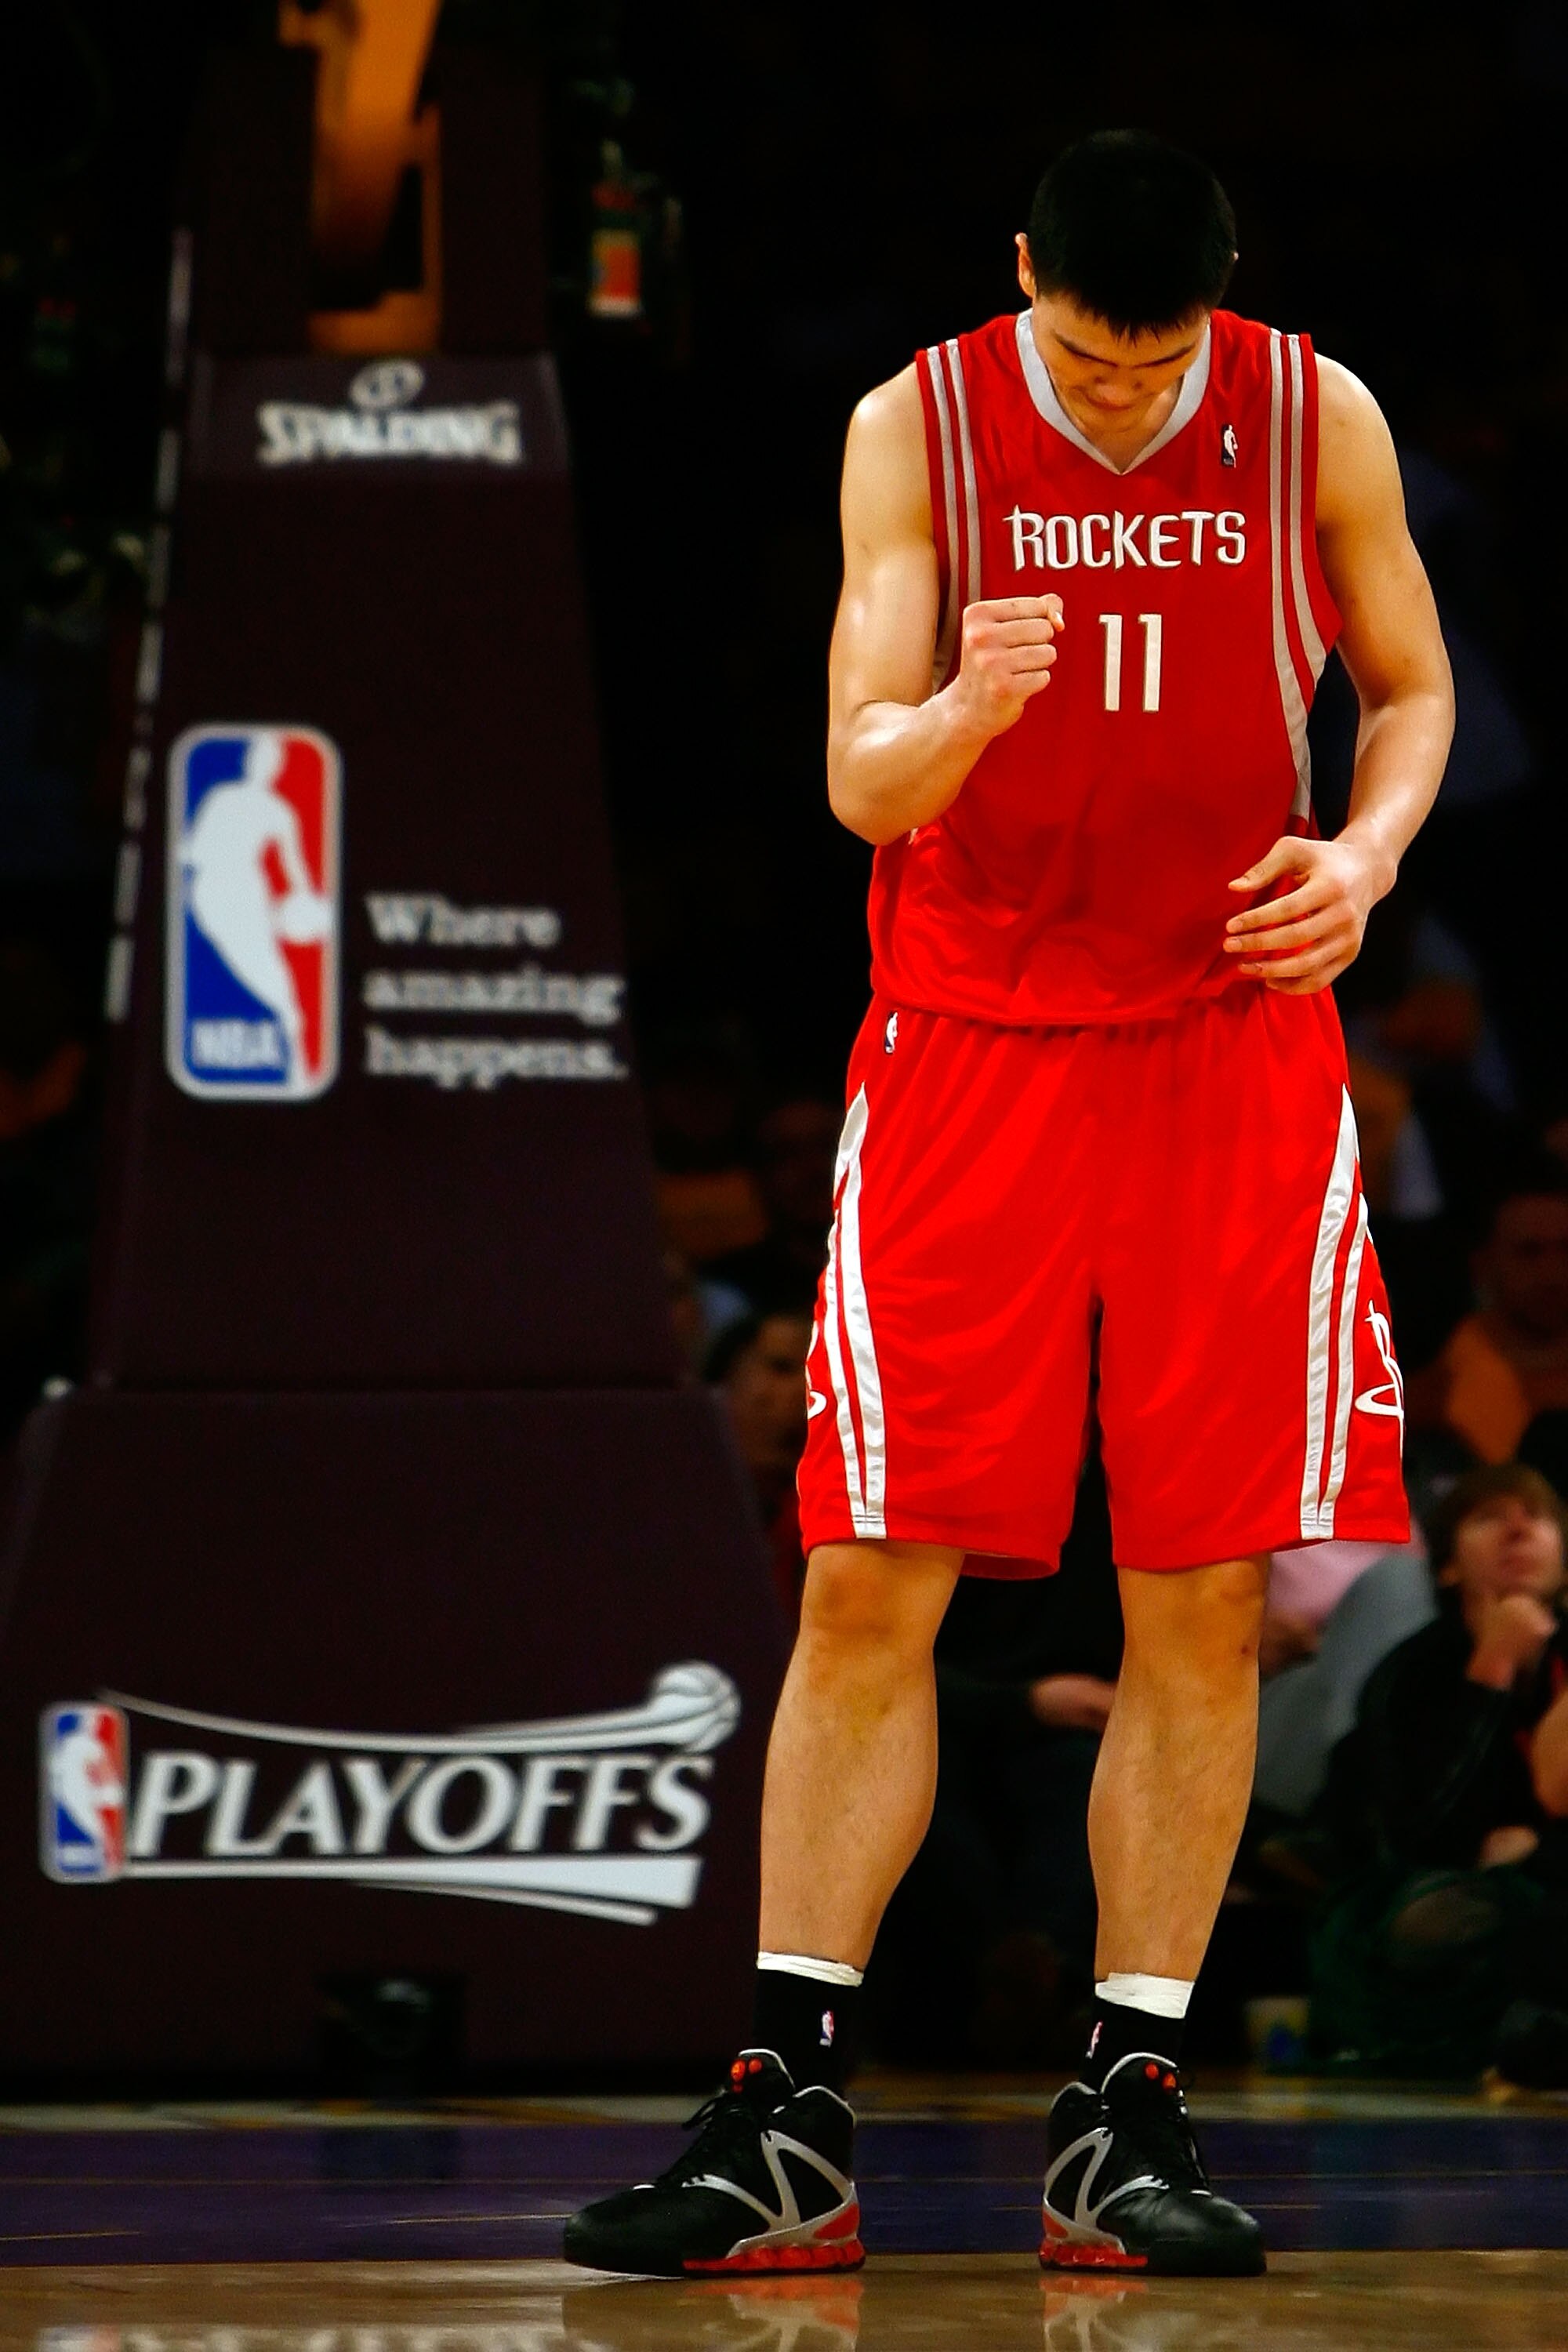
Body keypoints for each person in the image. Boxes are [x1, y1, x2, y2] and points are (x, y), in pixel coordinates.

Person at [566, 129, 1453, 2280]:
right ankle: (785, 2115)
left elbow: (1410, 690)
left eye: (1160, 359)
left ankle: (1125, 2110)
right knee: (867, 1578)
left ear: (1218, 300)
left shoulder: (1311, 411)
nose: (1127, 391)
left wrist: (1360, 860)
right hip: (975, 1047)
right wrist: (963, 704)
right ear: (1023, 275)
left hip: (1229, 1045)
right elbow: (857, 775)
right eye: (1088, 351)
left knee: (1200, 1594)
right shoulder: (922, 423)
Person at [1309, 1463, 1568, 2081]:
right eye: (1489, 1517)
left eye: (1535, 1517)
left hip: (1547, 1879)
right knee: (1429, 1922)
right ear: (1448, 1566)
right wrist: (1492, 1671)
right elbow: (1424, 1838)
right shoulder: (1412, 1673)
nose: (1517, 1529)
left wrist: (1538, 1850)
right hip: (1447, 1895)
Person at [1408, 1165, 1568, 1463]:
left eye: (1566, 1249)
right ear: (1483, 1264)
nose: (1552, 1273)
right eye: (1530, 1252)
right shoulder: (1427, 1404)